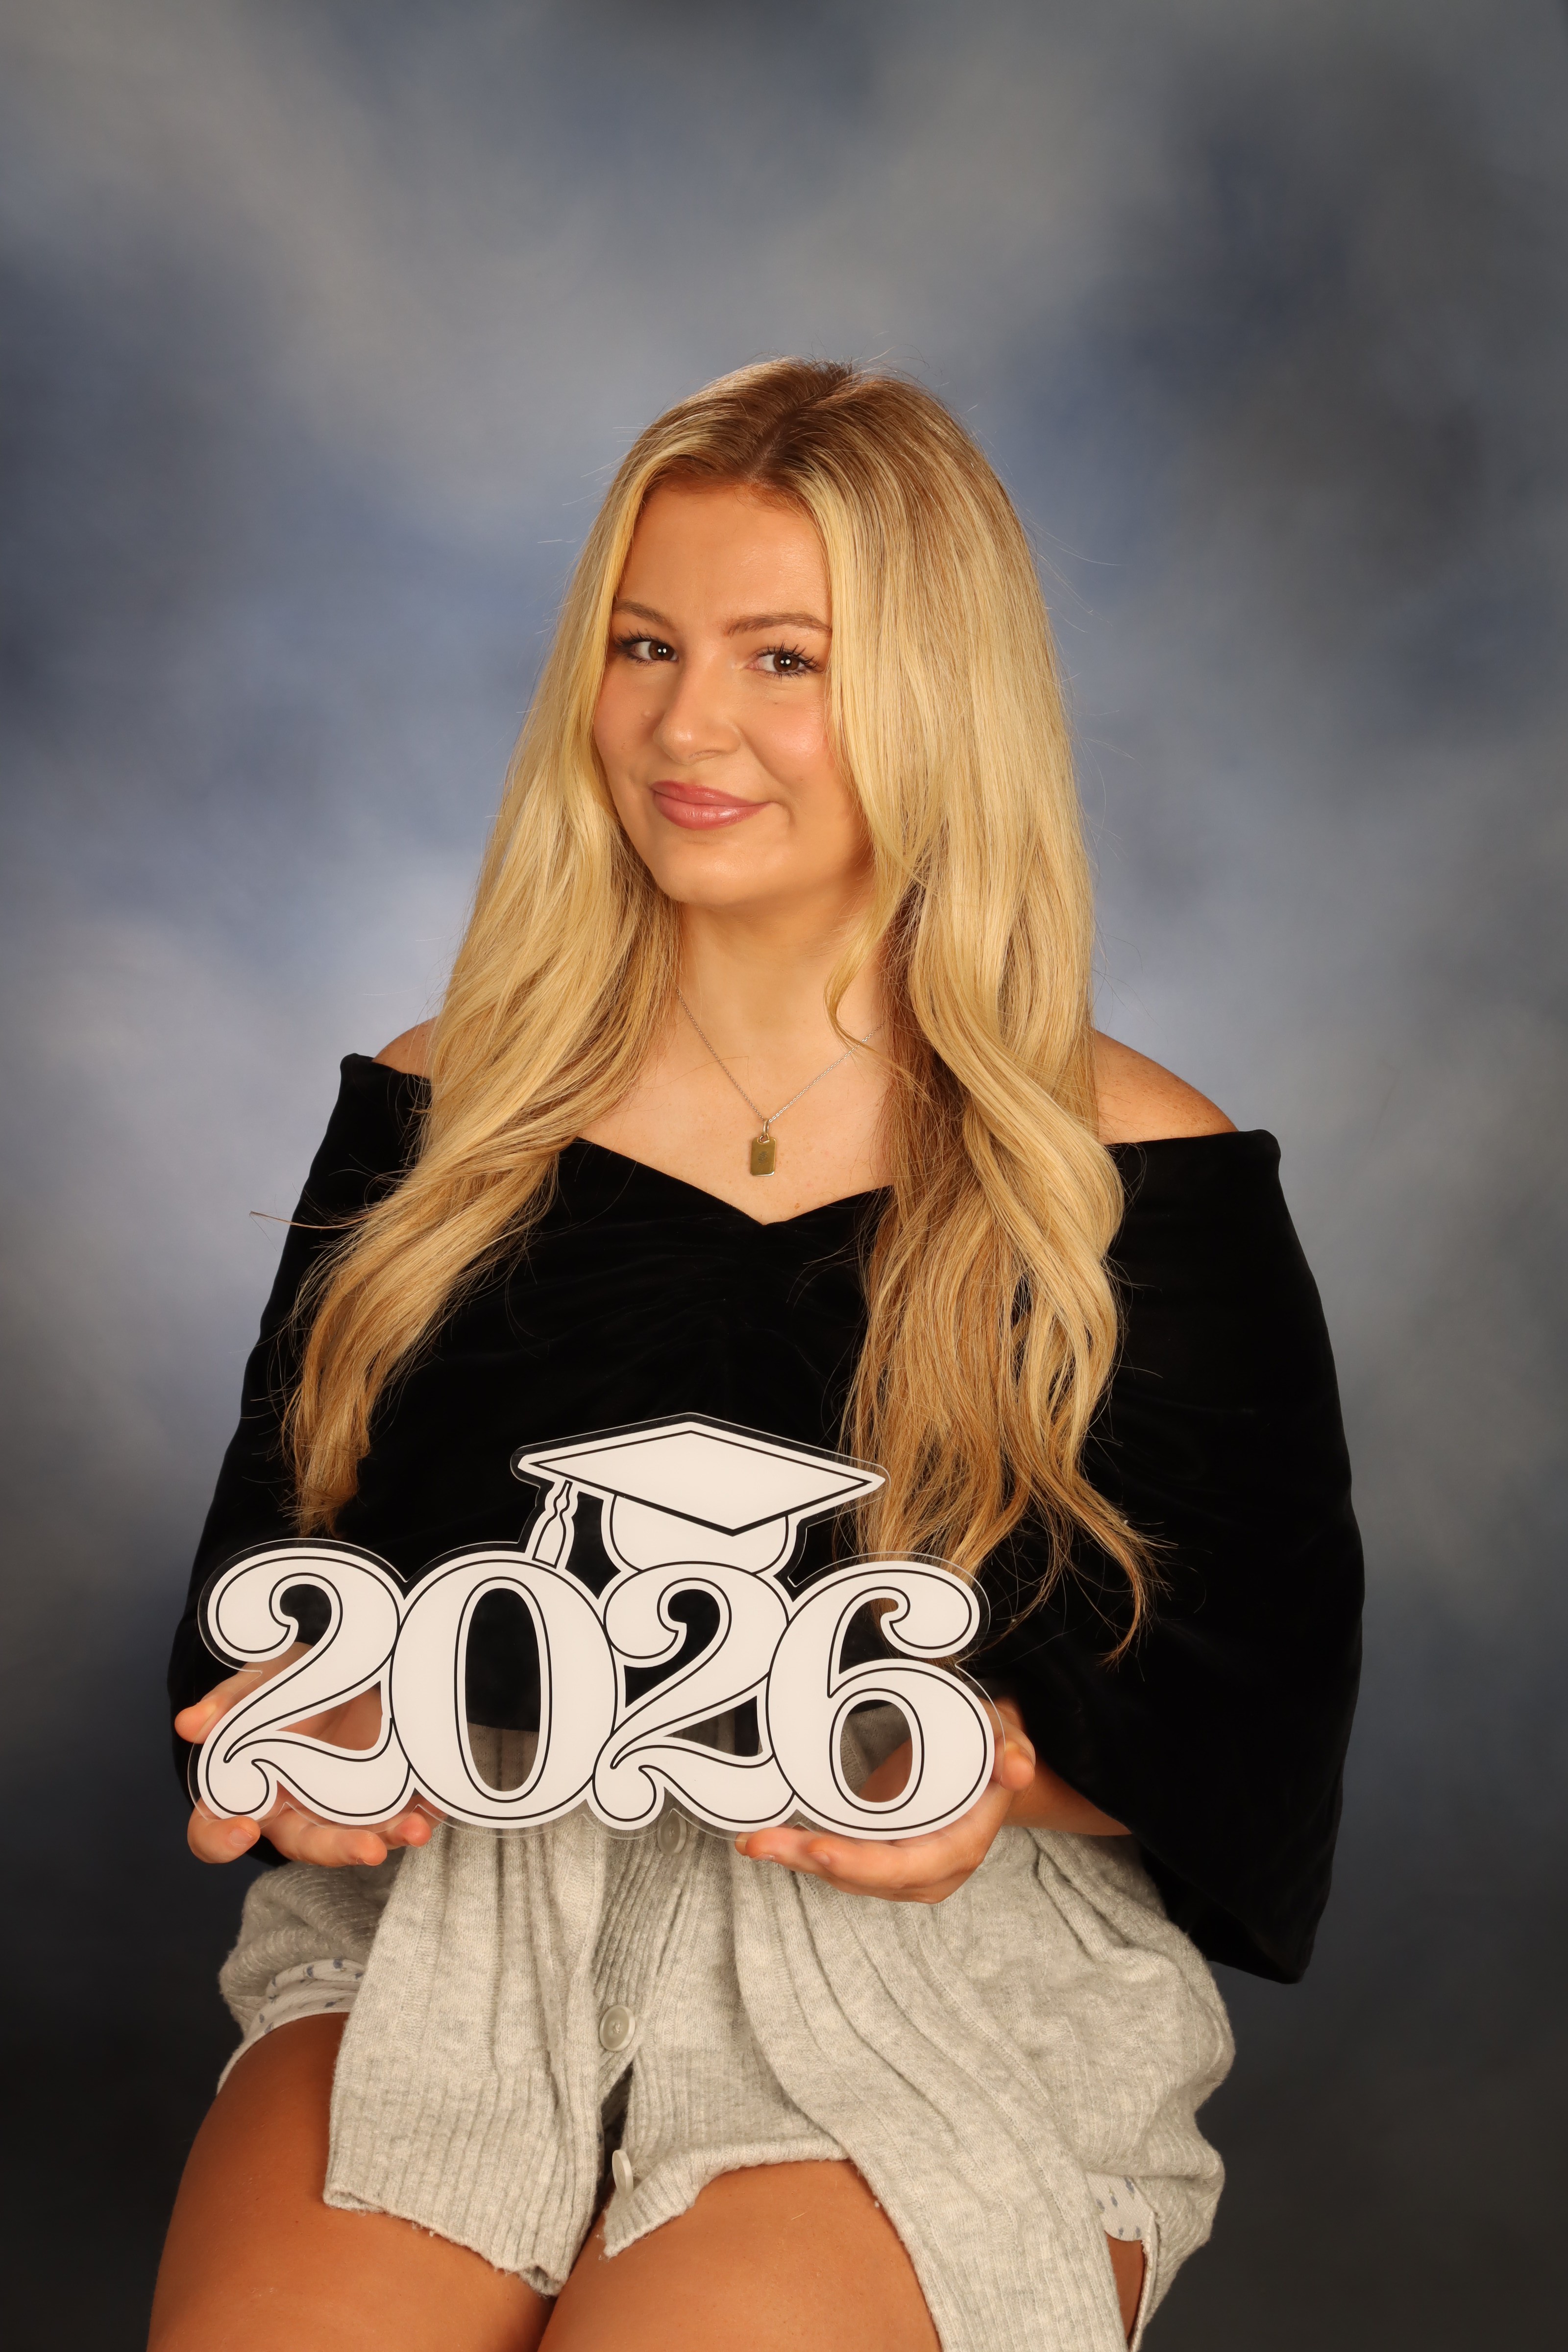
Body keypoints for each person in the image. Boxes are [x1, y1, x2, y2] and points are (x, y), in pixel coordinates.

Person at [151, 360, 1362, 2352]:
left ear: (933, 697)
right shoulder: (441, 1105)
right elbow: (270, 1571)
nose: (684, 724)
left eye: (781, 658)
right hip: (465, 1923)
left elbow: (1246, 1719)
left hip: (940, 1965)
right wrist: (298, 1737)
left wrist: (993, 1779)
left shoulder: (1133, 1170)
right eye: (645, 645)